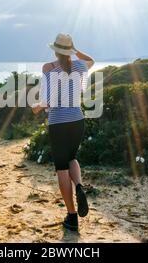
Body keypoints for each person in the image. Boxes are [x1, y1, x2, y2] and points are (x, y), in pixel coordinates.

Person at [32, 33, 95, 232]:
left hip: (58, 122)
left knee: (61, 168)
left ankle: (71, 216)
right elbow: (91, 60)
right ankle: (78, 185)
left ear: (55, 49)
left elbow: (47, 100)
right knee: (72, 158)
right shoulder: (80, 66)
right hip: (77, 119)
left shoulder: (48, 68)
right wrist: (75, 50)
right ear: (69, 49)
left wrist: (37, 107)